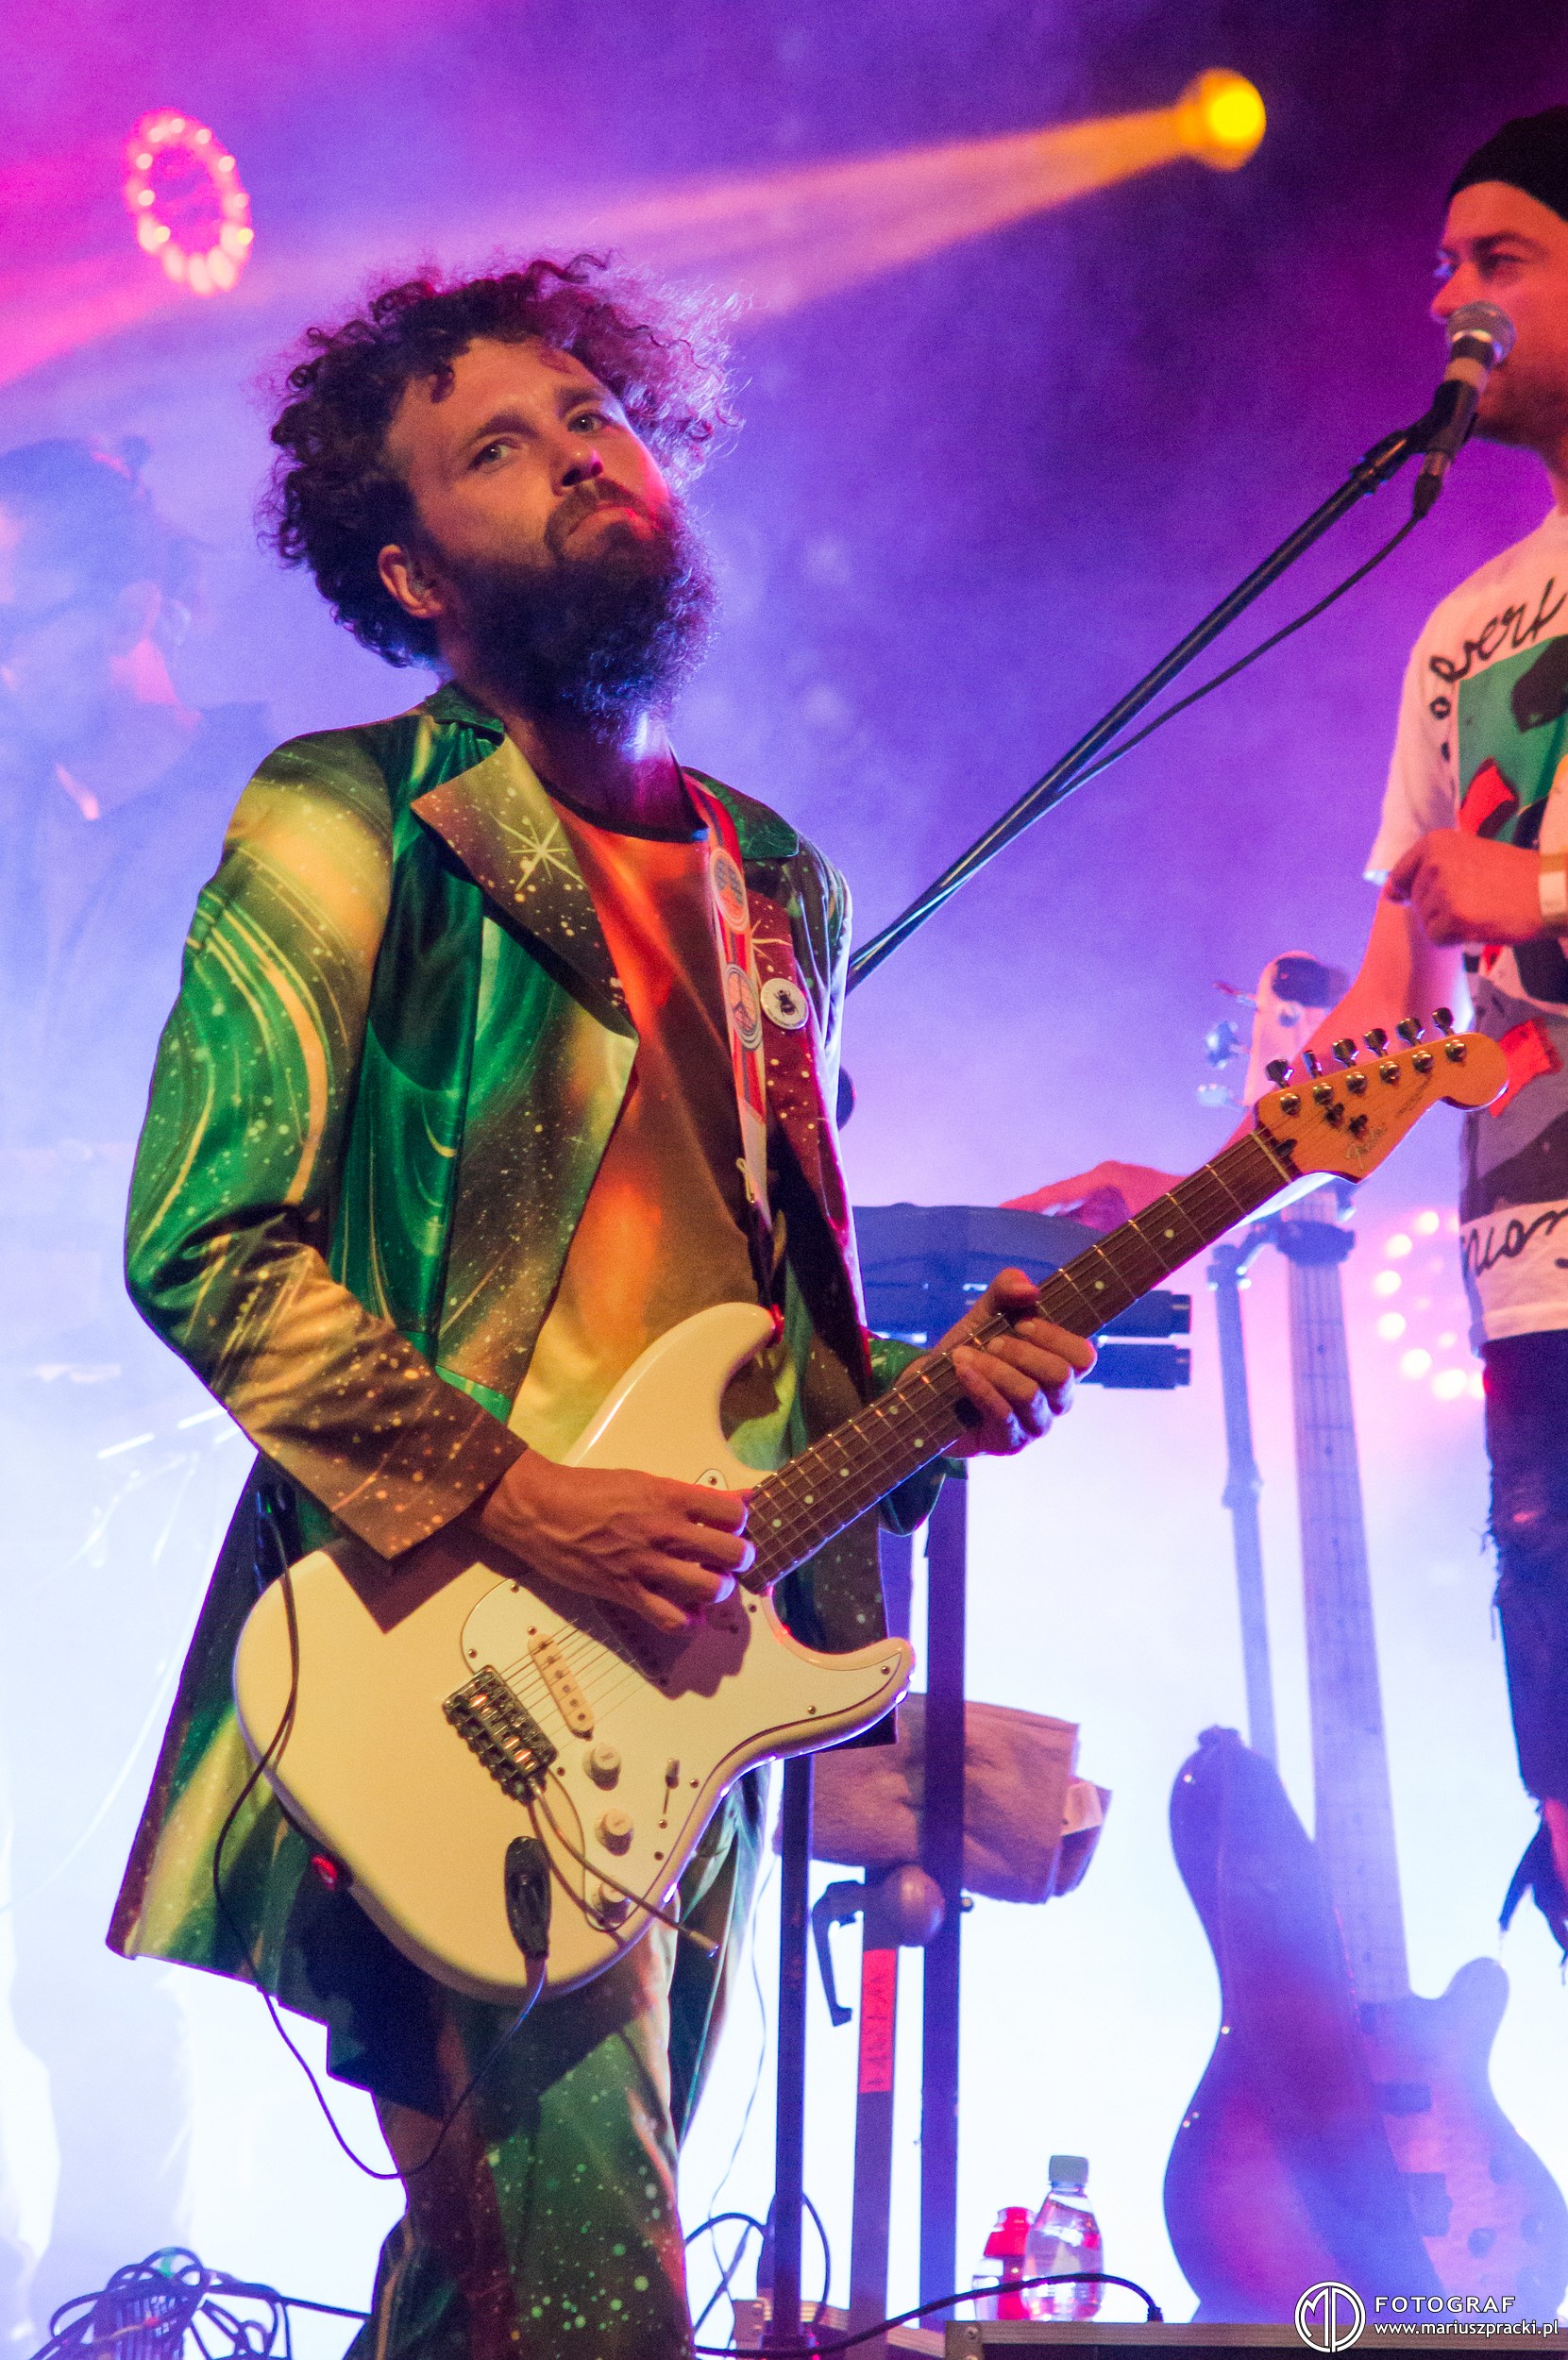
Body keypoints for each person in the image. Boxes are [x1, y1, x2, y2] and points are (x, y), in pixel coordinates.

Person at [107, 257, 1094, 2360]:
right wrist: (525, 1499)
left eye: (591, 413)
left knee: (491, 2296)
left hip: (686, 1686)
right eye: (495, 447)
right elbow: (207, 1242)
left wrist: (929, 1402)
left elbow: (759, 1318)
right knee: (595, 2303)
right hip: (438, 1658)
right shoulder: (353, 813)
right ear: (410, 572)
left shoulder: (774, 882)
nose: (576, 456)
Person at [1020, 108, 1568, 1947]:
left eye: (1501, 258)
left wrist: (1540, 891)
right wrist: (1188, 1205)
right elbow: (1393, 1039)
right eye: (1444, 263)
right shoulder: (1463, 631)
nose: (1449, 296)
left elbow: (1507, 907)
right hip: (1535, 1293)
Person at [0, 441, 269, 2339]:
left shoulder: (274, 823)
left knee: (80, 1907)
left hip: (166, 1443)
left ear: (134, 604)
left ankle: (123, 2297)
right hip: (18, 1415)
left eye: (17, 618)